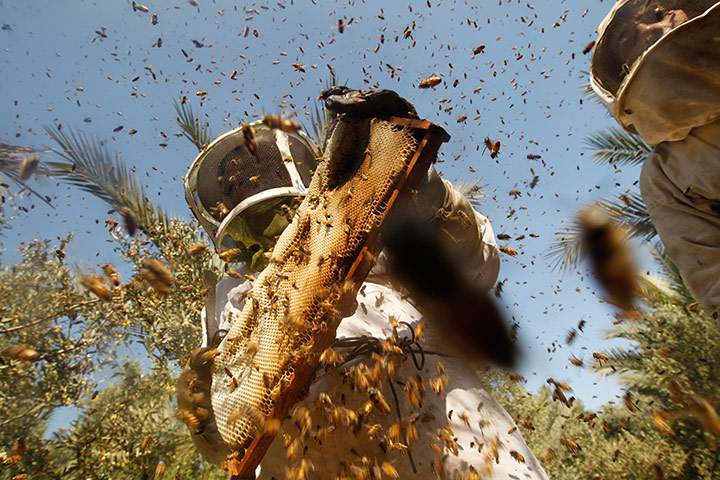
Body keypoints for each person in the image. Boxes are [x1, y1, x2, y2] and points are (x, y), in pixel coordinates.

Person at [177, 88, 549, 479]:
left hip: (456, 437)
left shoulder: (367, 224)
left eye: (260, 167)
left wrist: (418, 187)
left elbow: (476, 268)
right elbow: (226, 439)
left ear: (293, 167)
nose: (247, 184)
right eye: (233, 183)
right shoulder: (230, 302)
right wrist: (203, 415)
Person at [590, 0, 720, 319]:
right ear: (626, 73)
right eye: (629, 40)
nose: (650, 28)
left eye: (658, 14)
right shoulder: (667, 176)